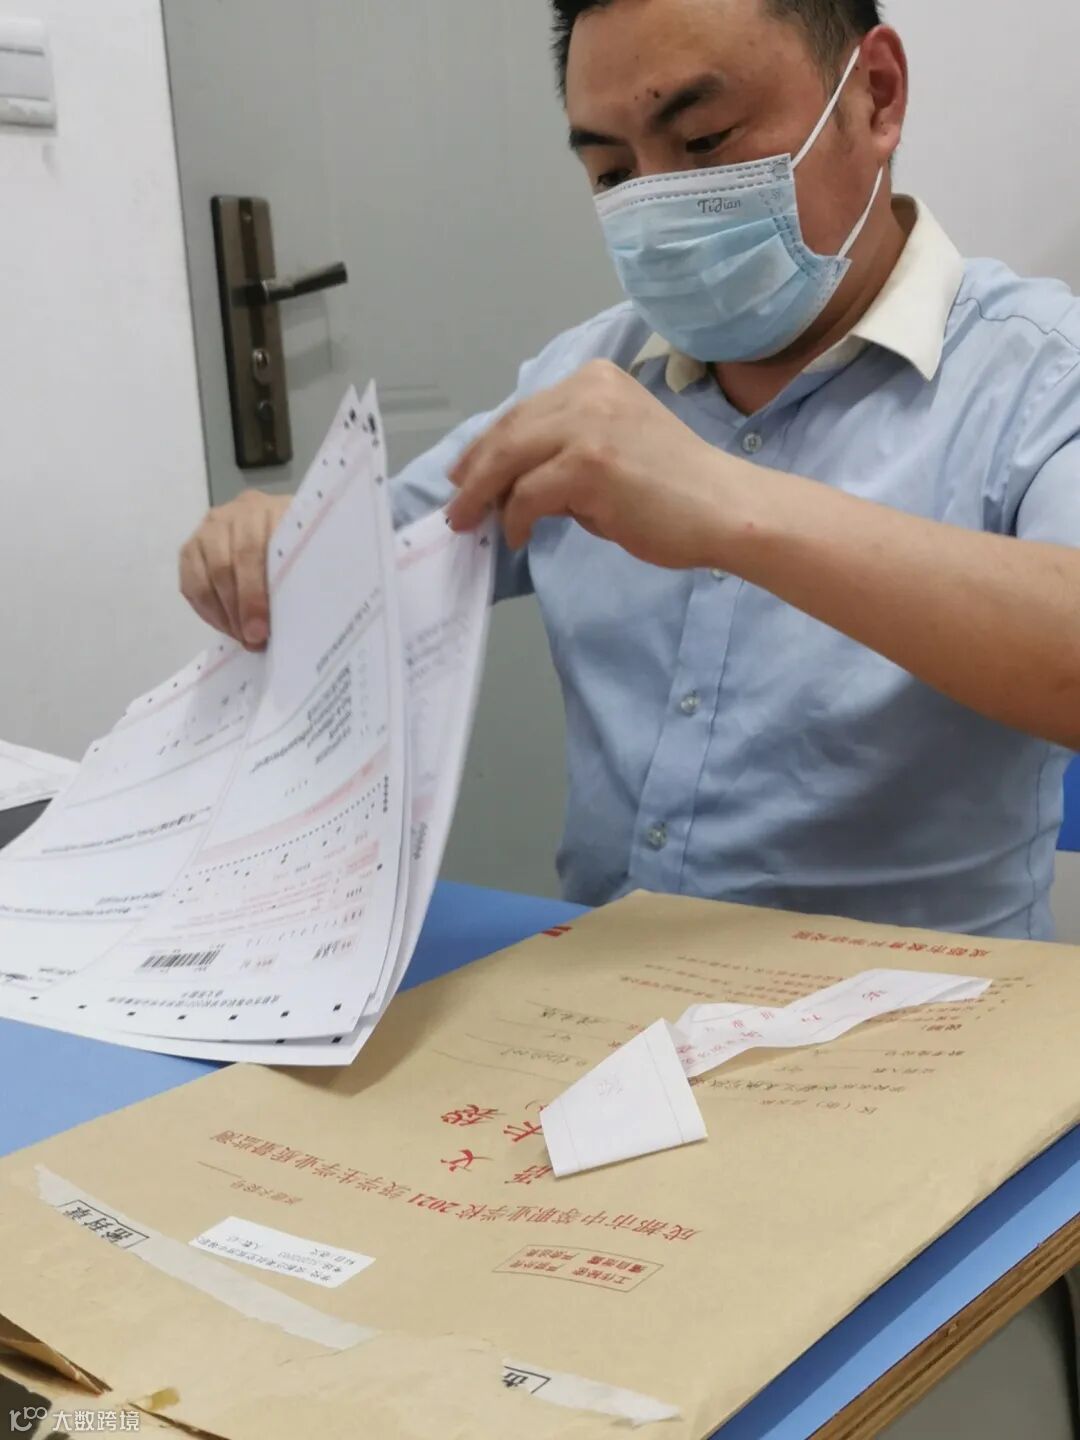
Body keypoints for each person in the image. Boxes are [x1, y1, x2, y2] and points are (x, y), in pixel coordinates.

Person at [180, 0, 1080, 941]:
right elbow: (375, 557)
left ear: (876, 95)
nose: (658, 207)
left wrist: (730, 504)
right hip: (611, 991)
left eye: (704, 140)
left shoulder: (1038, 375)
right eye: (612, 173)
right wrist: (277, 546)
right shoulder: (589, 382)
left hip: (928, 1007)